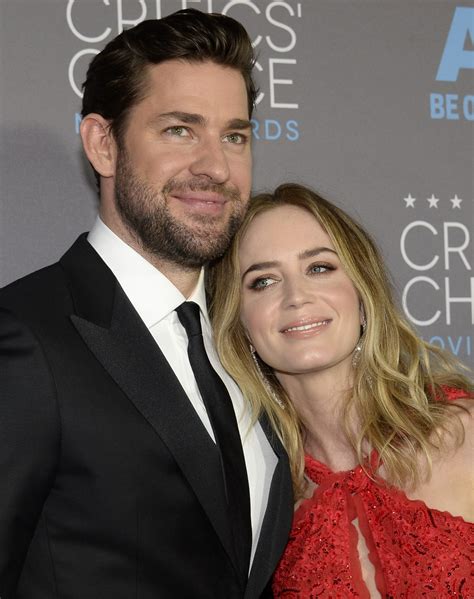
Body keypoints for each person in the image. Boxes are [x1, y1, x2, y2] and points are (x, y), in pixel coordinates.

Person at [0, 10, 293, 598]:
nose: (215, 167)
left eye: (234, 135)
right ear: (102, 145)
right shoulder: (25, 338)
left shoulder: (254, 341)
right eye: (180, 130)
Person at [210, 183, 473, 598]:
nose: (296, 297)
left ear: (362, 295)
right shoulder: (257, 507)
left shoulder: (465, 434)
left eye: (319, 268)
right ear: (239, 323)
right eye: (263, 281)